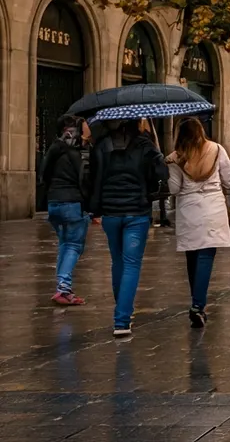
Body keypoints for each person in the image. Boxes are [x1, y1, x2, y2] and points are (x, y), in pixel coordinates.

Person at [90, 119, 168, 336]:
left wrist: (94, 208)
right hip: (137, 212)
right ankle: (122, 320)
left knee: (117, 262)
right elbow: (162, 176)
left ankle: (122, 311)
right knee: (132, 264)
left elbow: (94, 179)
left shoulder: (102, 145)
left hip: (111, 212)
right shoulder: (145, 145)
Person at [166, 118, 230, 328]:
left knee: (192, 255)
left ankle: (197, 303)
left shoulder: (175, 157)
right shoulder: (216, 149)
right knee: (206, 255)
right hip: (213, 208)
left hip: (189, 211)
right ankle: (197, 306)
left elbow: (173, 189)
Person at [40, 114, 90, 306]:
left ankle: (62, 287)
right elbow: (83, 181)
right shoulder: (74, 154)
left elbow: (43, 175)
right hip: (72, 204)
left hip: (54, 204)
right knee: (73, 246)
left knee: (64, 244)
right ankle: (63, 288)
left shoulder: (54, 150)